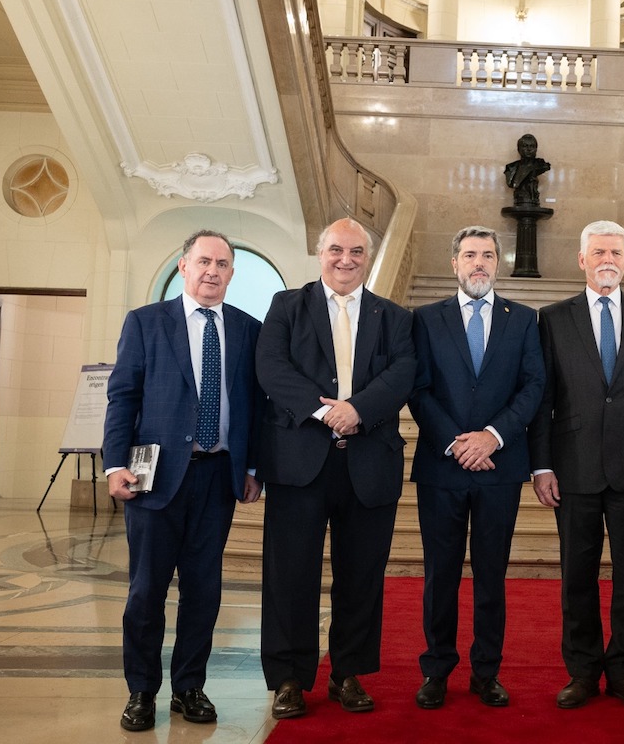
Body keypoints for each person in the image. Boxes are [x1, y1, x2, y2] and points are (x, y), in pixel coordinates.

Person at [254, 218, 415, 719]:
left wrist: (358, 410)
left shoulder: (394, 316)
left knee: (361, 576)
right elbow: (271, 368)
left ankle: (348, 673)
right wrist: (325, 412)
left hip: (369, 462)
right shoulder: (286, 306)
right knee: (289, 574)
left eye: (357, 251)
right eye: (336, 250)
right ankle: (288, 678)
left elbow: (404, 372)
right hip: (299, 462)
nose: (346, 260)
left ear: (368, 257)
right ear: (320, 254)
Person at [103, 230, 263, 732]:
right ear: (184, 266)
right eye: (204, 261)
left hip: (218, 477)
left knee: (203, 590)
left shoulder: (248, 329)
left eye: (222, 264)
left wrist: (252, 468)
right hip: (153, 476)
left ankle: (189, 686)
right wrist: (114, 463)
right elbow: (123, 396)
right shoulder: (146, 322)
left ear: (231, 273)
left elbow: (255, 406)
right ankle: (141, 691)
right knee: (146, 591)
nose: (212, 271)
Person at [529, 219, 624, 710]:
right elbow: (543, 398)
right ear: (582, 259)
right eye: (598, 252)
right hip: (573, 467)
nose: (607, 260)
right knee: (577, 575)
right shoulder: (553, 318)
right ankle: (582, 671)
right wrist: (541, 465)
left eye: (615, 252)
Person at [408, 225, 545, 710]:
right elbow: (418, 388)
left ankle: (486, 672)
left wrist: (492, 437)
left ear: (498, 263)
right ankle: (436, 670)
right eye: (470, 255)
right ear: (455, 263)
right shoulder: (424, 319)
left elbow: (533, 386)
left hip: (499, 467)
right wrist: (454, 442)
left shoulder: (523, 319)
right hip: (441, 467)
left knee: (491, 575)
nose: (479, 263)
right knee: (439, 575)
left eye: (487, 255)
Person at [504, 133, 551, 207]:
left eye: (532, 146)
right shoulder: (511, 168)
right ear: (519, 149)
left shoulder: (541, 165)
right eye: (525, 146)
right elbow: (511, 183)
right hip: (519, 201)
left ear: (536, 149)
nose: (529, 149)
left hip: (533, 202)